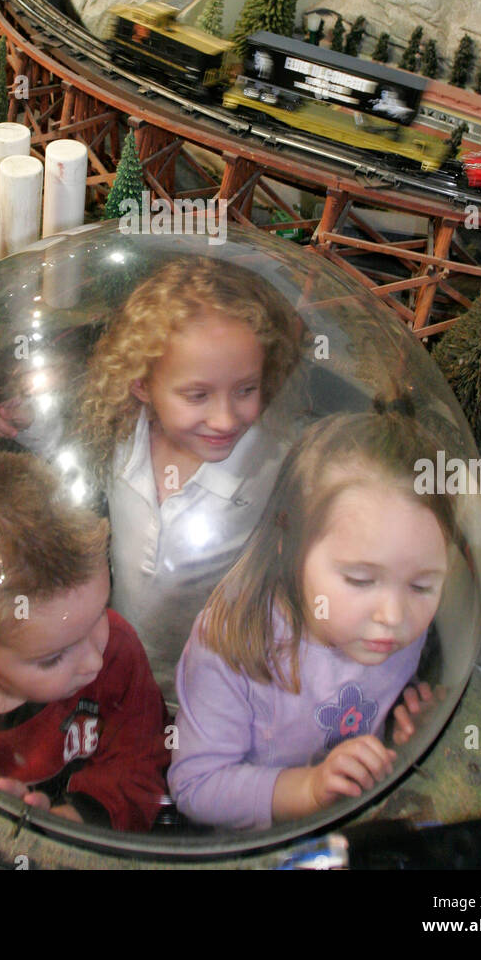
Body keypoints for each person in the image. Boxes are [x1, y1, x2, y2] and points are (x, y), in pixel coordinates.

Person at [168, 410, 455, 829]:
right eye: (360, 579)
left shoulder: (394, 621)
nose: (394, 617)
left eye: (422, 586)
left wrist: (411, 729)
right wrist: (309, 790)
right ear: (289, 548)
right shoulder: (228, 643)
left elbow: (378, 722)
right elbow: (196, 787)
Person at [0, 450, 170, 832]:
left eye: (98, 614)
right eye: (53, 658)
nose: (94, 660)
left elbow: (143, 765)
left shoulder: (117, 650)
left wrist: (73, 821)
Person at [81, 258, 302, 702]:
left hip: (211, 689)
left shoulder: (273, 463)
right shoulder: (123, 433)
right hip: (111, 663)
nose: (224, 419)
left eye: (246, 389)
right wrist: (17, 420)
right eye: (197, 395)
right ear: (142, 384)